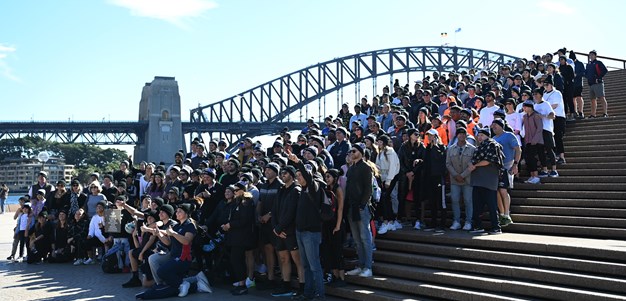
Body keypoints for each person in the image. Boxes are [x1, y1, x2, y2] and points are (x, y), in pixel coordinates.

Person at [287, 152, 326, 300]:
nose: (298, 177)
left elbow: (308, 176)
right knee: (306, 266)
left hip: (311, 233)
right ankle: (308, 293)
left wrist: (298, 162)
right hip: (300, 232)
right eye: (297, 175)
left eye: (300, 174)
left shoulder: (314, 186)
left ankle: (320, 295)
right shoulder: (301, 190)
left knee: (314, 266)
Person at [270, 165, 306, 297]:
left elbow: (291, 213)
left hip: (290, 231)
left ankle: (303, 287)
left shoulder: (296, 190)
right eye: (281, 173)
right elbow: (274, 211)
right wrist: (275, 229)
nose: (282, 175)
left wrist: (280, 228)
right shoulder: (280, 190)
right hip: (279, 232)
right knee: (284, 258)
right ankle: (286, 286)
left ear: (291, 174)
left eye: (285, 173)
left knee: (298, 260)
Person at [344, 144, 374, 278]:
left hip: (361, 207)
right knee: (356, 238)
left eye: (354, 151)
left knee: (365, 238)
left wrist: (362, 204)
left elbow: (368, 188)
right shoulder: (350, 169)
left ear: (361, 152)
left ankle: (368, 267)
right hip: (351, 207)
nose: (351, 153)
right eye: (350, 151)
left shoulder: (366, 167)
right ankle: (361, 265)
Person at [469, 128, 504, 235]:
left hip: (489, 181)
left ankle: (496, 227)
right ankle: (478, 226)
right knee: (477, 206)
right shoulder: (479, 147)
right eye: (478, 135)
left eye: (482, 135)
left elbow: (488, 161)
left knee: (492, 205)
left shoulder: (492, 145)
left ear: (487, 136)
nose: (479, 137)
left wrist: (474, 165)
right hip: (478, 180)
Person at [223, 182, 256, 296]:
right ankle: (241, 282)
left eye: (237, 190)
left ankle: (242, 285)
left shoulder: (246, 202)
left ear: (243, 190)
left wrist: (230, 225)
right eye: (234, 190)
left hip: (242, 237)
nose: (235, 192)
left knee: (237, 260)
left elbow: (244, 220)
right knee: (236, 260)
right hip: (235, 236)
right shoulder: (238, 202)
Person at [491, 119, 522, 227]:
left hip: (507, 166)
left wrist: (515, 164)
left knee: (503, 191)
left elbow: (518, 149)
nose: (493, 127)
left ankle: (507, 213)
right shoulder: (493, 139)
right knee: (496, 192)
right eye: (492, 126)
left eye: (495, 125)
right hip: (496, 168)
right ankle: (502, 214)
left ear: (501, 126)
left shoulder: (509, 135)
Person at [446, 128, 476, 231]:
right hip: (454, 180)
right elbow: (448, 164)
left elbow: (473, 164)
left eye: (463, 134)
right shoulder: (451, 148)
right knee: (455, 200)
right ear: (457, 135)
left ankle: (468, 221)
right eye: (459, 134)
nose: (461, 136)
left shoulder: (472, 148)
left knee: (468, 200)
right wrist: (455, 175)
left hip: (468, 179)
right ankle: (456, 221)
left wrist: (462, 175)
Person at [321, 169, 346, 288]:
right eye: (326, 176)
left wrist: (338, 225)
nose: (327, 178)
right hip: (327, 223)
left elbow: (341, 208)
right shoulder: (326, 190)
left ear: (335, 178)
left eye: (329, 176)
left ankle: (341, 277)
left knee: (337, 251)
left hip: (337, 223)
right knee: (329, 250)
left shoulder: (338, 189)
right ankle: (335, 276)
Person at [421, 129, 447, 232]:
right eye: (429, 136)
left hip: (439, 178)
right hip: (429, 178)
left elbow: (440, 159)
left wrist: (436, 146)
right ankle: (433, 223)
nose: (430, 138)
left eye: (432, 136)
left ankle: (442, 224)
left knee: (441, 202)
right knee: (432, 201)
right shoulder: (427, 148)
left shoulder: (441, 148)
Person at [376, 135, 401, 234]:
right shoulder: (380, 152)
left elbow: (392, 166)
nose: (379, 143)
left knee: (386, 197)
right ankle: (390, 220)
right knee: (385, 198)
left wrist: (388, 181)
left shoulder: (389, 151)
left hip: (391, 177)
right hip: (383, 178)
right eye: (378, 141)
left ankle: (388, 221)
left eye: (381, 141)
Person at [543, 75, 567, 166]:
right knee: (550, 138)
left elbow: (555, 105)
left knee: (558, 137)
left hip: (558, 117)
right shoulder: (544, 94)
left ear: (551, 84)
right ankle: (552, 156)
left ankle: (562, 156)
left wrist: (545, 109)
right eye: (544, 84)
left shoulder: (557, 93)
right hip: (548, 118)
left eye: (547, 84)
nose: (545, 86)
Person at [521, 100, 545, 184]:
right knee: (528, 158)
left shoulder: (536, 116)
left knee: (533, 158)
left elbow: (539, 129)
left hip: (536, 141)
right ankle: (532, 176)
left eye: (525, 106)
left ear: (530, 107)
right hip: (527, 141)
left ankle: (536, 176)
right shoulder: (524, 117)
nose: (524, 108)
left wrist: (534, 140)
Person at [585, 50, 609, 118]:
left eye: (592, 55)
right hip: (591, 84)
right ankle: (593, 114)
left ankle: (605, 113)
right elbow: (586, 73)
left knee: (601, 97)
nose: (591, 56)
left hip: (598, 83)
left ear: (595, 56)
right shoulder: (588, 64)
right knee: (592, 99)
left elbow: (605, 70)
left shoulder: (598, 62)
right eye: (590, 55)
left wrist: (598, 77)